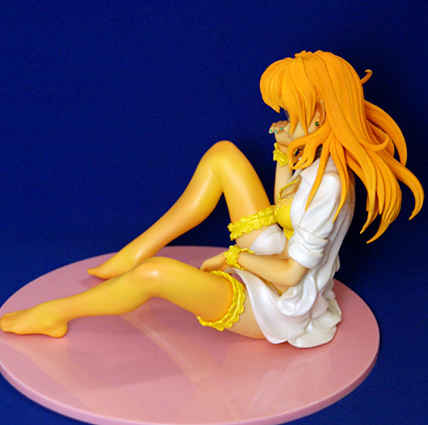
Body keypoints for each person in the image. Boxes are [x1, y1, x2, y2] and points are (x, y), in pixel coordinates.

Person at [0, 51, 423, 347]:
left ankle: (55, 315)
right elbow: (284, 207)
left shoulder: (330, 186)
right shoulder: (317, 163)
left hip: (279, 305)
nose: (281, 120)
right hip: (275, 255)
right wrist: (284, 154)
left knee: (157, 276)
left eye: (289, 113)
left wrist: (234, 259)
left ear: (318, 116)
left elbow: (290, 276)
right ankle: (134, 252)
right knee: (224, 155)